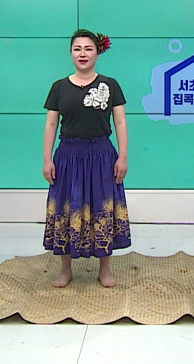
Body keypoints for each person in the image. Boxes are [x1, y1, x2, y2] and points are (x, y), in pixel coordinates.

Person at [42, 29, 132, 288]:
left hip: (102, 155)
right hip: (68, 156)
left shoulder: (110, 85)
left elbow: (120, 122)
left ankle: (105, 270)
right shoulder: (59, 87)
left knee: (103, 209)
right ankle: (65, 270)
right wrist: (47, 160)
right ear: (71, 53)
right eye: (77, 49)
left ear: (97, 53)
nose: (83, 54)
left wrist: (123, 157)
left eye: (88, 49)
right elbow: (51, 125)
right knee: (66, 209)